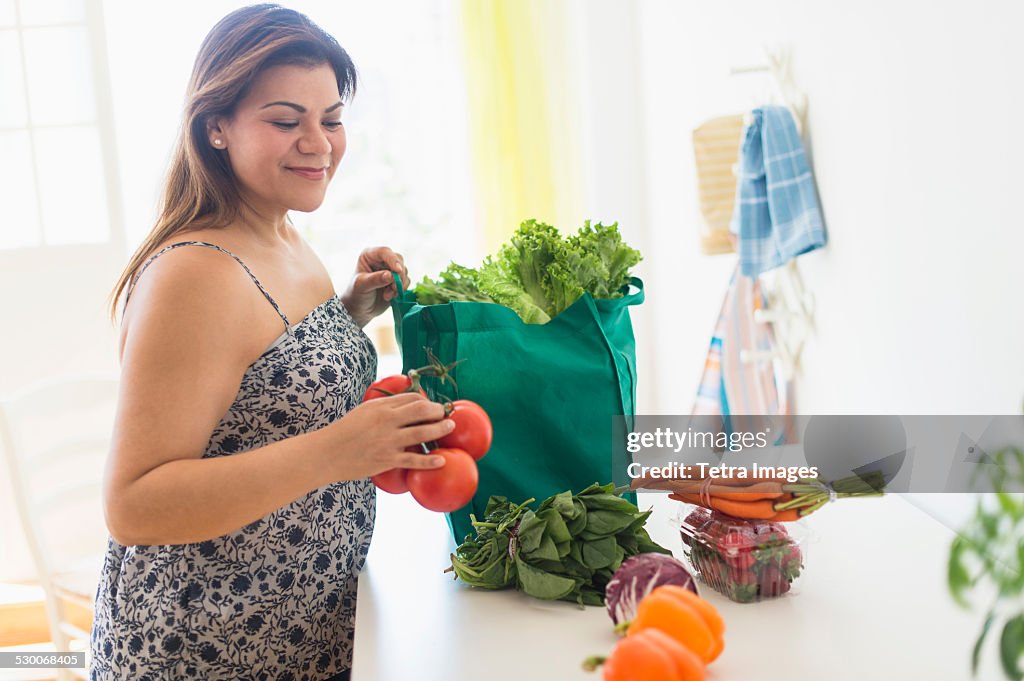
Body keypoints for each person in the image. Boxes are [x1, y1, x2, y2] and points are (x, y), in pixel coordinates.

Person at [91, 5, 450, 679]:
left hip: (303, 627)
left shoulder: (281, 231)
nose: (317, 142)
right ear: (216, 126)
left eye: (332, 119)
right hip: (208, 649)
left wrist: (349, 312)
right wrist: (339, 449)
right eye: (286, 120)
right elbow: (133, 503)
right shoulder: (192, 272)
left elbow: (257, 384)